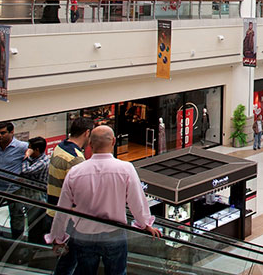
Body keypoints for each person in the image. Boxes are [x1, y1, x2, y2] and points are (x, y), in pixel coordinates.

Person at [46, 126, 162, 274]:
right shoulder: (126, 168)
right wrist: (145, 224)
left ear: (90, 144)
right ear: (113, 141)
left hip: (83, 234)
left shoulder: (76, 172)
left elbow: (63, 208)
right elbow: (136, 201)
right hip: (114, 233)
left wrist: (58, 237)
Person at [47, 116, 93, 275]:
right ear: (87, 133)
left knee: (64, 260)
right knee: (69, 262)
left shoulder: (60, 147)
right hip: (66, 218)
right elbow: (80, 194)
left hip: (53, 211)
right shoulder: (76, 158)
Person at [0, 121, 30, 239]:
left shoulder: (22, 147)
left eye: (3, 133)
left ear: (12, 132)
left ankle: (17, 243)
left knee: (17, 217)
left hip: (14, 189)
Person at [20, 136, 50, 245]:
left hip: (38, 197)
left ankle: (35, 246)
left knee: (35, 225)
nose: (27, 150)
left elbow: (25, 171)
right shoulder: (36, 159)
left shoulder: (43, 162)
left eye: (30, 148)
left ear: (37, 150)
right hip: (30, 195)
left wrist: (26, 157)